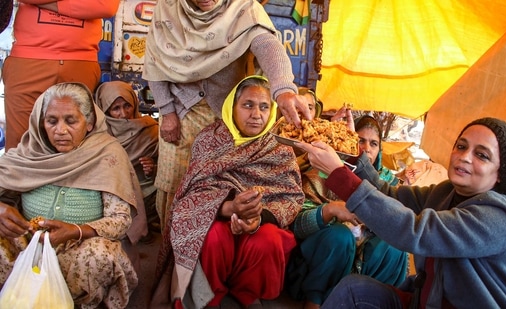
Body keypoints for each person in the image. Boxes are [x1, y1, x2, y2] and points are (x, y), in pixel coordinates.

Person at [296, 117, 506, 308]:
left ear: (500, 174)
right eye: (461, 146)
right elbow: (390, 195)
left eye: (482, 155)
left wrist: (339, 176)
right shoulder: (447, 192)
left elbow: (416, 231)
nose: (464, 156)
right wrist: (353, 153)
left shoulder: (499, 217)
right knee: (353, 290)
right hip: (427, 301)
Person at [143, 0, 312, 230]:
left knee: (221, 187)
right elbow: (155, 61)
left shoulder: (243, 7)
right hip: (181, 112)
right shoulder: (168, 8)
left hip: (229, 116)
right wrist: (167, 111)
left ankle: (209, 256)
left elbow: (267, 44)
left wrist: (283, 89)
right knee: (175, 186)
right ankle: (172, 254)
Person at [150, 76, 304, 309]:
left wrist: (257, 218)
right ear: (232, 106)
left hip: (261, 221)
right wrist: (229, 208)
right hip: (218, 216)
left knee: (269, 240)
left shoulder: (279, 148)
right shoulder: (210, 139)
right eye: (248, 105)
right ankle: (210, 297)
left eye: (264, 107)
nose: (256, 114)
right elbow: (193, 193)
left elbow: (291, 197)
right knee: (212, 237)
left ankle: (248, 295)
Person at [0, 82, 148, 308]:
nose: (60, 130)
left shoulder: (107, 154)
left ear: (89, 123)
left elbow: (120, 220)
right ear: (42, 123)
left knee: (99, 255)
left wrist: (75, 231)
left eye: (71, 121)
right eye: (52, 121)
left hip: (79, 245)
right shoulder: (29, 153)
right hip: (27, 239)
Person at [286, 112, 408, 309]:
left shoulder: (386, 184)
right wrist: (331, 209)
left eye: (374, 143)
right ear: (349, 142)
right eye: (360, 140)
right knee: (340, 236)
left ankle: (370, 302)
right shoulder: (320, 174)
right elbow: (296, 226)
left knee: (394, 245)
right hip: (320, 265)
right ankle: (314, 302)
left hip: (365, 266)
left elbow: (403, 219)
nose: (366, 148)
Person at [2, 0, 120, 150]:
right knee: (21, 145)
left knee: (73, 142)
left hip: (80, 60)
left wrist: (46, 4)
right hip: (28, 60)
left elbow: (106, 6)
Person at [95, 80, 160, 235]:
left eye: (127, 106)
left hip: (145, 191)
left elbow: (167, 167)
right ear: (104, 109)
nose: (123, 114)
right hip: (111, 190)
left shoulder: (150, 130)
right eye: (115, 108)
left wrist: (153, 169)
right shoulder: (98, 134)